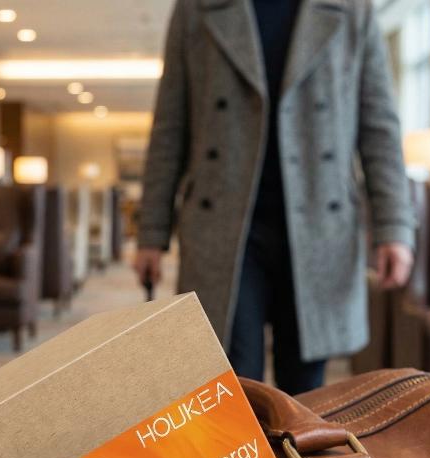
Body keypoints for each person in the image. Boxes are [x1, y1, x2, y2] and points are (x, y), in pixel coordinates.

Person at [134, 0, 414, 395]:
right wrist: (151, 231)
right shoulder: (197, 8)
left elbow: (378, 126)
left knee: (306, 386)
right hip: (224, 226)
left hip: (320, 223)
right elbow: (170, 126)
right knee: (234, 378)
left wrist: (394, 226)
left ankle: (297, 440)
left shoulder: (351, 10)